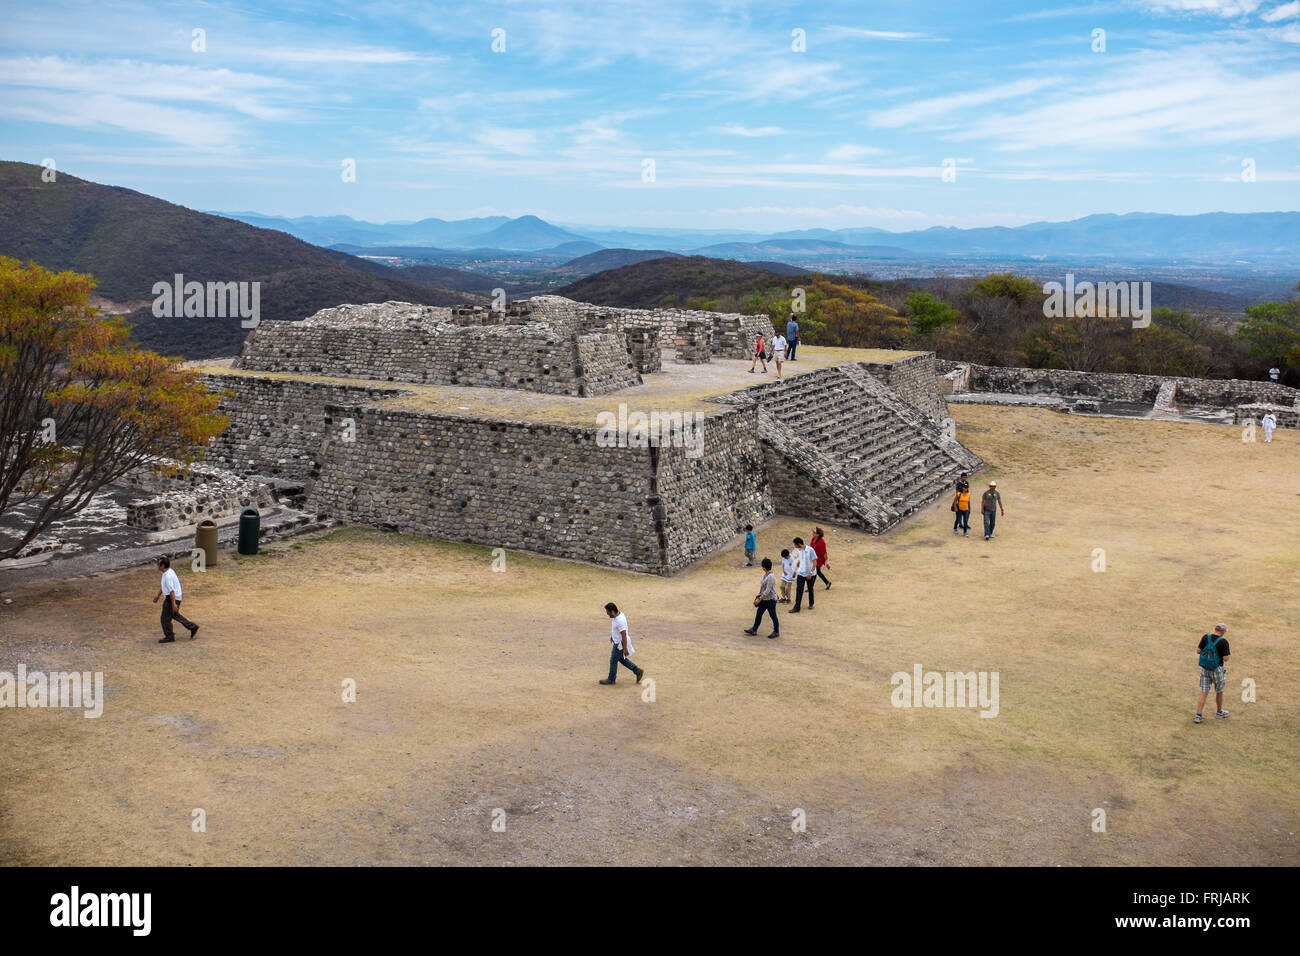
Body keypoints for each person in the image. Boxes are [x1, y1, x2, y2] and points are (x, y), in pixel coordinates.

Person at [153, 555, 198, 644]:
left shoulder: (168, 576)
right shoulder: (168, 572)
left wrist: (173, 604)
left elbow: (171, 591)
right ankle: (192, 627)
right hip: (174, 598)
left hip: (171, 599)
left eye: (158, 564)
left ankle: (169, 636)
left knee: (165, 619)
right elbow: (164, 587)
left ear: (162, 566)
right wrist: (158, 596)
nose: (157, 565)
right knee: (175, 615)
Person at [599, 602, 644, 686]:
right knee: (621, 659)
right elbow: (617, 630)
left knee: (613, 661)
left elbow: (623, 634)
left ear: (612, 611)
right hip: (619, 641)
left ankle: (611, 679)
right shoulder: (618, 615)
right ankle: (637, 671)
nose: (607, 614)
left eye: (608, 612)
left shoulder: (620, 620)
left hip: (620, 644)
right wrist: (613, 636)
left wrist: (625, 648)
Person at [1194, 622, 1231, 723]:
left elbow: (1198, 651)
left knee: (1204, 691)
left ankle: (1198, 715)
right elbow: (1226, 658)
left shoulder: (1206, 637)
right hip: (1217, 669)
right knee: (1219, 691)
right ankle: (1219, 712)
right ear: (1223, 631)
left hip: (1205, 668)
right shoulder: (1223, 642)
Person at [743, 558, 780, 639]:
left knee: (773, 615)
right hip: (765, 599)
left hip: (770, 600)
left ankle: (776, 631)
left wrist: (759, 599)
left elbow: (767, 591)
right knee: (759, 614)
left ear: (764, 567)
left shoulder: (770, 577)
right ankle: (754, 629)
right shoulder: (766, 575)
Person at [791, 536, 817, 612]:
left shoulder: (810, 550)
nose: (795, 547)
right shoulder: (799, 551)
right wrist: (795, 571)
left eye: (795, 545)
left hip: (810, 574)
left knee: (810, 588)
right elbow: (799, 562)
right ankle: (797, 607)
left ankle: (811, 603)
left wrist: (811, 573)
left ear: (799, 544)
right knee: (799, 589)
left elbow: (815, 562)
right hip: (801, 573)